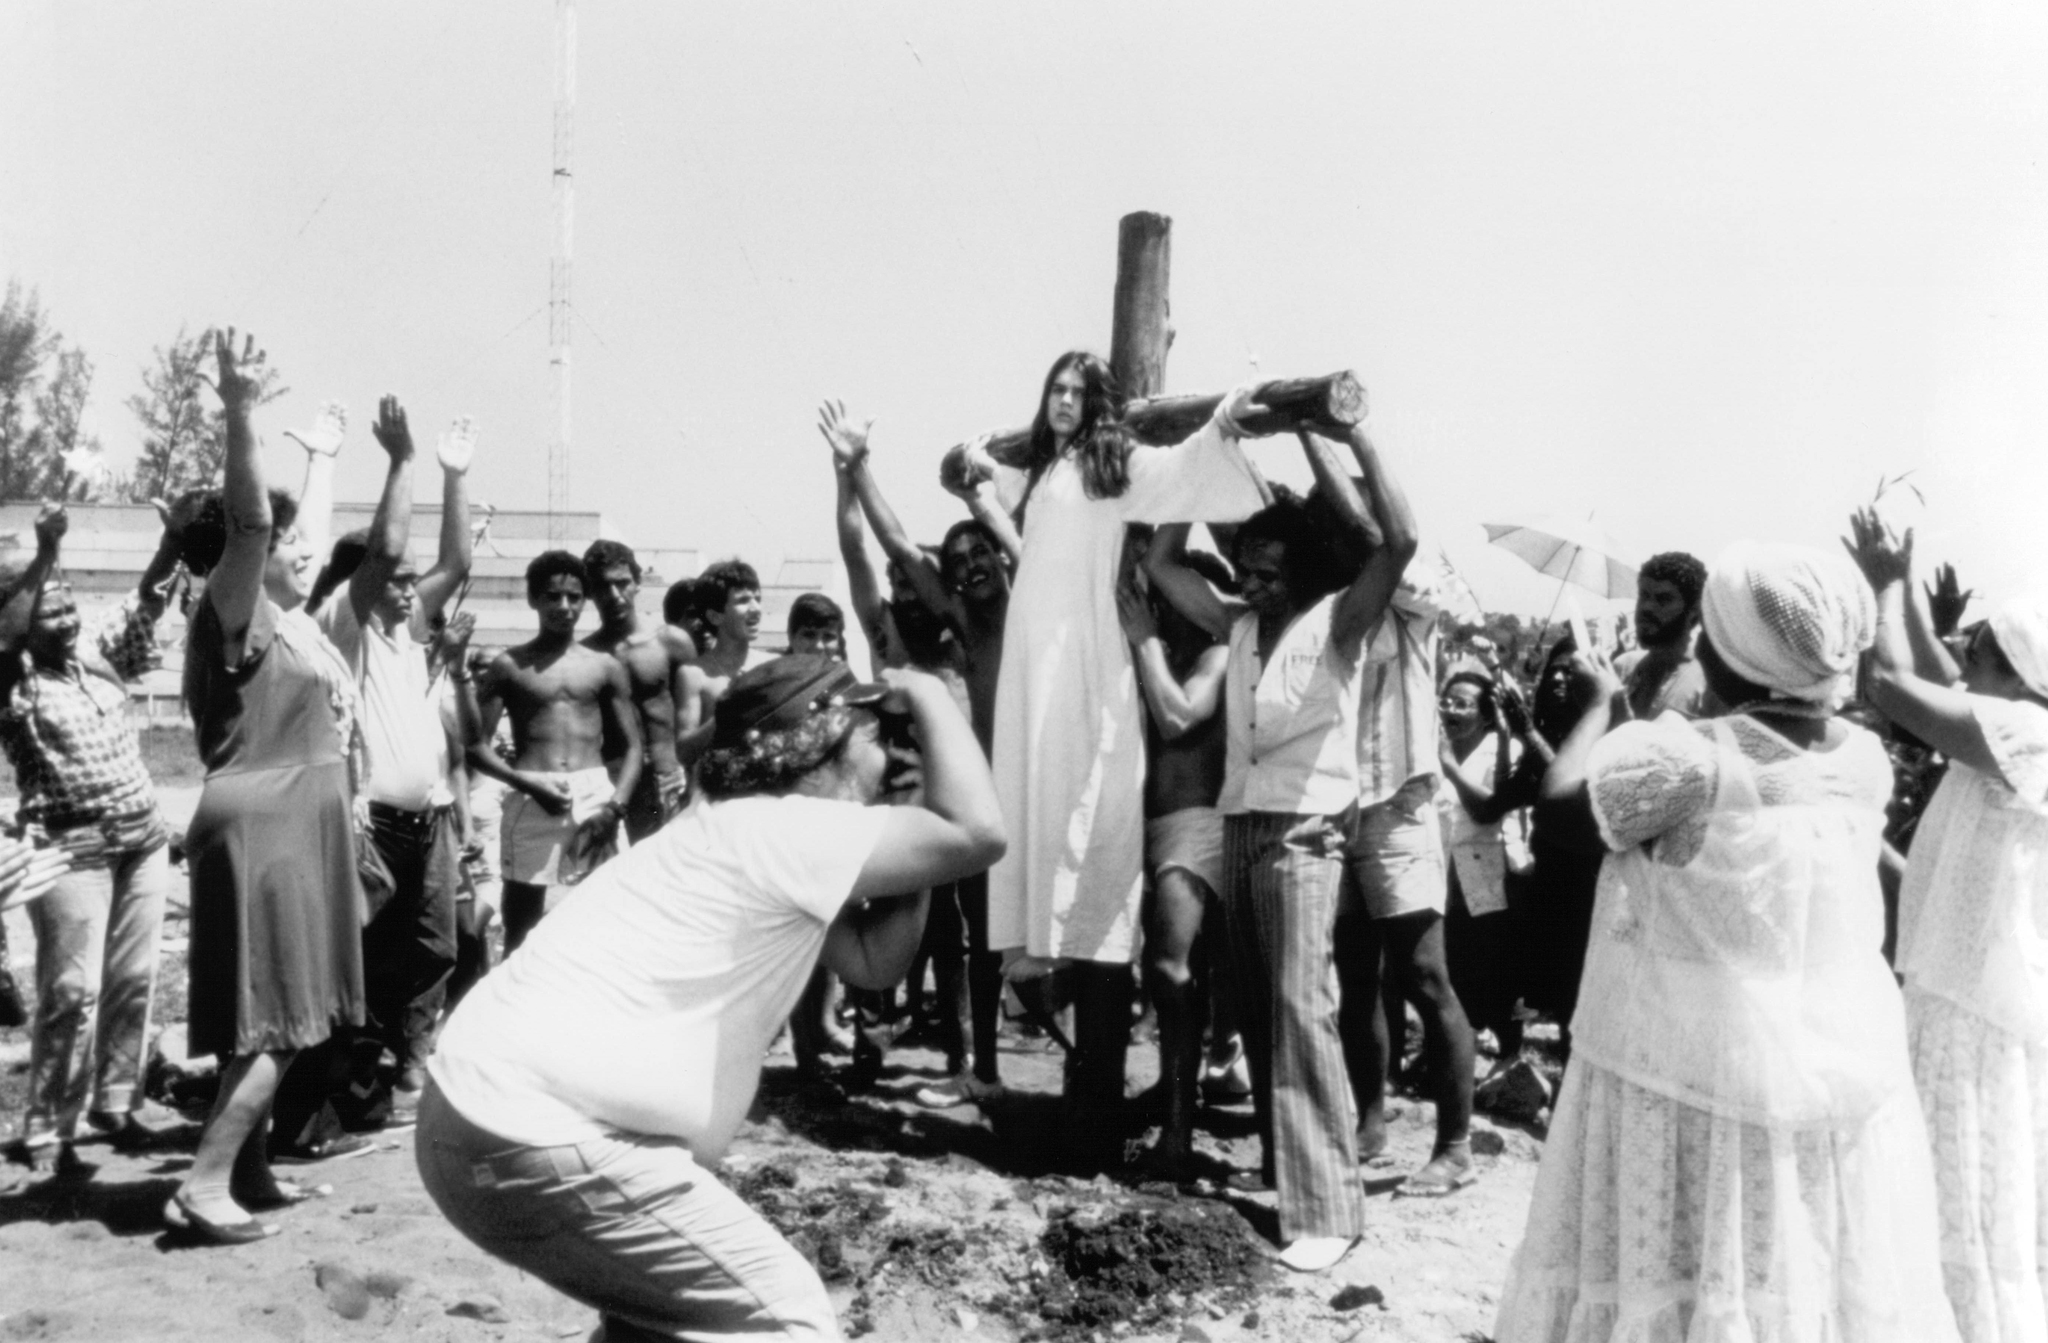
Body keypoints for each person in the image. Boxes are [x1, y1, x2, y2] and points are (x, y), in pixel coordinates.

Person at [416, 654, 1005, 1341]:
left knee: (660, 1325)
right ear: (822, 746)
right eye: (876, 740)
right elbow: (978, 833)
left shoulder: (737, 827)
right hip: (534, 1134)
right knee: (786, 1318)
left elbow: (874, 958)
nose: (886, 761)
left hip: (482, 1122)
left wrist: (912, 819)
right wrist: (930, 690)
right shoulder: (786, 831)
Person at [1494, 541, 1957, 1343]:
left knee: (1677, 1244)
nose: (1700, 642)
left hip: (1674, 1054)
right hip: (1819, 1054)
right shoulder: (1864, 758)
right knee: (1777, 1247)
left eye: (1711, 629)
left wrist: (1605, 705)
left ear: (1738, 652)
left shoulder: (1687, 756)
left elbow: (1563, 806)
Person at [948, 352, 1271, 1149]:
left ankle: (1103, 1094)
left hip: (1089, 649)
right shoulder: (1048, 467)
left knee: (1092, 805)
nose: (1061, 401)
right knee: (1037, 795)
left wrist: (1221, 422)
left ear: (1097, 404)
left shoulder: (1110, 458)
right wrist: (977, 474)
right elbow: (1004, 506)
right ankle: (1072, 1069)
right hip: (1039, 652)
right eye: (1052, 388)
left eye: (1075, 392)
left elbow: (1176, 473)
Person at [1146, 430, 1406, 1274]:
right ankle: (1282, 1165)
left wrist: (1330, 429)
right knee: (1254, 1006)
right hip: (1240, 824)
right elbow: (1162, 564)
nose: (1249, 584)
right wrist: (1196, 454)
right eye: (1245, 569)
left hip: (1306, 828)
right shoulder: (1240, 625)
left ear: (1304, 570)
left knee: (1302, 1005)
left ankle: (1328, 1208)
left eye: (1266, 572)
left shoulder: (1340, 621)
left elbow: (1395, 541)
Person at [172, 329, 368, 1243]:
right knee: (282, 1018)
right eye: (278, 539)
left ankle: (246, 1170)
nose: (293, 544)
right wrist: (241, 412)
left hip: (293, 816)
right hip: (269, 818)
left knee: (268, 1010)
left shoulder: (286, 621)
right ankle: (204, 1182)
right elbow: (253, 524)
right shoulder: (234, 606)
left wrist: (324, 459)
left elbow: (299, 530)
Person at [1845, 509, 2048, 1341]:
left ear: (2015, 667)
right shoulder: (2018, 722)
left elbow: (1892, 686)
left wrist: (1885, 584)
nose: (1964, 657)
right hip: (1962, 991)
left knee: (1958, 1204)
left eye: (1980, 648)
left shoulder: (2027, 730)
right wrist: (1905, 586)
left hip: (1971, 1005)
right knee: (1951, 1198)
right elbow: (1933, 671)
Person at [1298, 431, 1476, 1196]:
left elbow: (1384, 536)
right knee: (1356, 979)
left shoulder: (1415, 588)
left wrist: (1321, 433)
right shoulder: (1331, 598)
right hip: (1340, 805)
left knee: (1425, 974)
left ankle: (1455, 1145)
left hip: (1400, 804)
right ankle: (1369, 1120)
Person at [821, 400, 1015, 1106]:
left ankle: (976, 1063)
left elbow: (910, 549)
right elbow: (872, 548)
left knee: (977, 941)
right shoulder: (889, 640)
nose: (918, 583)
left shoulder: (965, 640)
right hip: (905, 801)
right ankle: (873, 1050)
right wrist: (851, 469)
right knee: (909, 933)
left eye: (965, 562)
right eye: (945, 567)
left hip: (977, 804)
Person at [1, 503, 179, 1172]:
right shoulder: (14, 680)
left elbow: (143, 604)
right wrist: (46, 552)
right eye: (52, 611)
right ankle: (47, 1126)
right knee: (71, 992)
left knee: (134, 979)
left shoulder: (93, 656)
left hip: (142, 840)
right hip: (71, 847)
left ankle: (114, 1100)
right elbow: (8, 632)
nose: (68, 619)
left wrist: (170, 540)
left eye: (70, 606)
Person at [316, 395, 474, 1118]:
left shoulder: (411, 633)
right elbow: (383, 555)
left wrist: (453, 475)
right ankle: (356, 1076)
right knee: (367, 951)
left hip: (428, 820)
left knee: (435, 945)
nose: (413, 585)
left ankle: (413, 1065)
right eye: (399, 578)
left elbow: (458, 560)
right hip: (373, 823)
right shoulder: (347, 627)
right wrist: (401, 461)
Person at [1118, 532, 1230, 1174]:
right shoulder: (1153, 652)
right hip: (1143, 824)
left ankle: (1179, 1137)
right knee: (1164, 980)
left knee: (1171, 969)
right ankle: (1173, 1096)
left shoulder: (1216, 655)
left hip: (1194, 828)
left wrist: (1143, 643)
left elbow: (1179, 719)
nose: (1159, 610)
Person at [467, 552, 641, 953]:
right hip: (532, 793)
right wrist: (523, 782)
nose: (565, 607)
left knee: (608, 911)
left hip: (596, 797)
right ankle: (515, 1008)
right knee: (521, 923)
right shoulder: (510, 666)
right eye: (553, 596)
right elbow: (475, 745)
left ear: (585, 601)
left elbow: (633, 747)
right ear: (533, 600)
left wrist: (615, 808)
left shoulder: (605, 665)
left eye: (574, 597)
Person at [1433, 670, 1534, 1076]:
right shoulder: (1431, 747)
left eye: (1463, 704)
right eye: (1448, 700)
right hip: (1444, 873)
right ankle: (1452, 1053)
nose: (1451, 710)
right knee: (1453, 969)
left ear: (1486, 715)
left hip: (1490, 871)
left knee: (1496, 971)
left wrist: (1449, 766)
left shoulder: (1501, 749)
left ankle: (1510, 1058)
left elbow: (1486, 809)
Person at [581, 539, 690, 841]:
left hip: (669, 777)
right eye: (603, 586)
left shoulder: (670, 641)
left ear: (638, 583)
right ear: (589, 591)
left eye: (622, 583)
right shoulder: (585, 655)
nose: (614, 595)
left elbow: (698, 706)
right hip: (613, 784)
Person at [674, 559, 763, 770]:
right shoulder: (694, 674)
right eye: (743, 601)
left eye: (758, 599)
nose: (756, 609)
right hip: (716, 792)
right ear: (715, 616)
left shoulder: (772, 665)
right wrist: (729, 708)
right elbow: (684, 751)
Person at [1613, 550, 1709, 721]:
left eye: (1663, 599)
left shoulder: (1707, 684)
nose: (1647, 607)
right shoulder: (1623, 669)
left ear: (1693, 612)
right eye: (1644, 595)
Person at [786, 592, 847, 659]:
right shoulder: (775, 668)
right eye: (810, 635)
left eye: (828, 637)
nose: (819, 646)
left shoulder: (845, 669)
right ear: (791, 637)